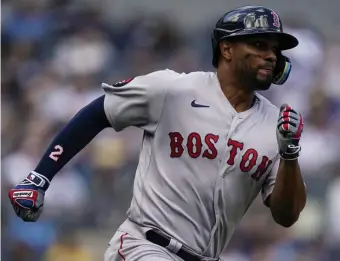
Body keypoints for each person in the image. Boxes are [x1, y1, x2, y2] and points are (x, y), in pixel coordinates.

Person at [8, 5, 307, 261]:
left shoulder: (275, 126)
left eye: (274, 49)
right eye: (259, 45)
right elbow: (100, 112)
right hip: (145, 246)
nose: (270, 56)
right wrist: (40, 176)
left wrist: (290, 154)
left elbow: (286, 215)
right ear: (226, 49)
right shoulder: (173, 89)